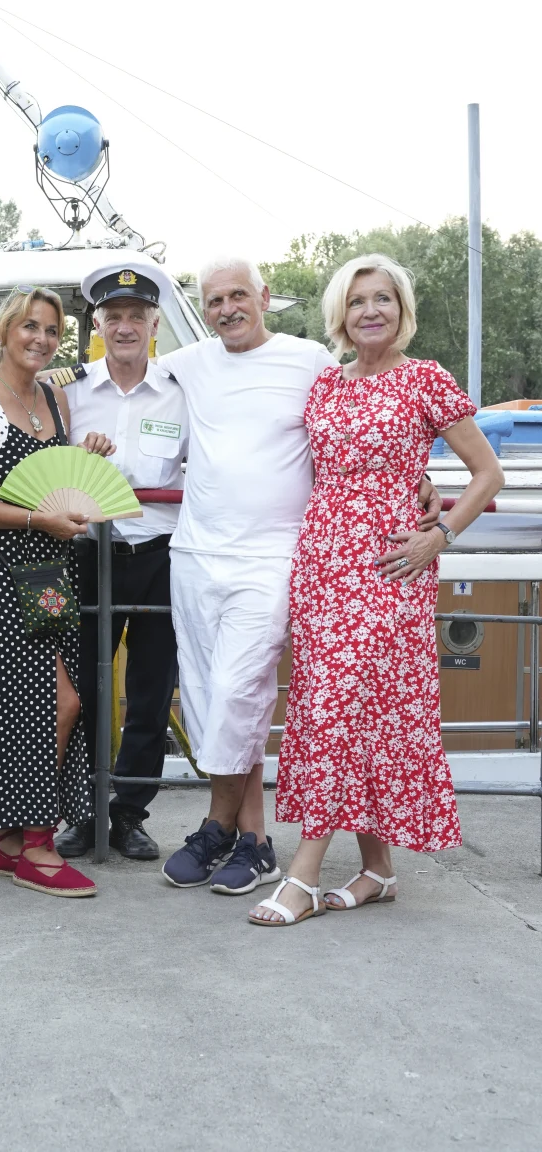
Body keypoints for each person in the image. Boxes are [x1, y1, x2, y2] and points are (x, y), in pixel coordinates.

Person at [158, 258, 442, 898]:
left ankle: (233, 832)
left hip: (280, 556)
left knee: (239, 691)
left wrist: (419, 485)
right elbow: (123, 378)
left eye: (238, 295)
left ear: (263, 296)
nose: (227, 308)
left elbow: (375, 423)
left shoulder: (310, 360)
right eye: (214, 300)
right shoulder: (187, 363)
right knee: (205, 697)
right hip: (198, 552)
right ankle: (266, 845)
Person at [249, 254, 503, 926]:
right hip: (323, 566)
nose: (370, 311)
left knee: (343, 706)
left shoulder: (425, 379)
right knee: (348, 707)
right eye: (358, 300)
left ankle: (304, 876)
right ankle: (378, 870)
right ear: (341, 313)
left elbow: (488, 474)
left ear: (402, 310)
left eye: (383, 298)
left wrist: (438, 534)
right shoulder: (326, 387)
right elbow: (322, 467)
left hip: (393, 567)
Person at [0, 286, 110, 897]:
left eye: (51, 330)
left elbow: (57, 482)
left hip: (46, 573)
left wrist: (85, 456)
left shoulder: (55, 399)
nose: (41, 339)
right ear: (4, 332)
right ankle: (38, 845)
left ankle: (11, 841)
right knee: (51, 703)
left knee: (41, 702)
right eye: (30, 327)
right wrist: (38, 520)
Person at [49, 257, 187, 862]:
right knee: (82, 687)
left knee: (151, 690)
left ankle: (129, 812)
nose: (125, 326)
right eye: (113, 316)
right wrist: (77, 456)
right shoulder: (65, 391)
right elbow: (39, 460)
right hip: (85, 553)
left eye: (137, 315)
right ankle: (82, 812)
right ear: (97, 326)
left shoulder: (182, 393)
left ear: (155, 325)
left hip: (160, 554)